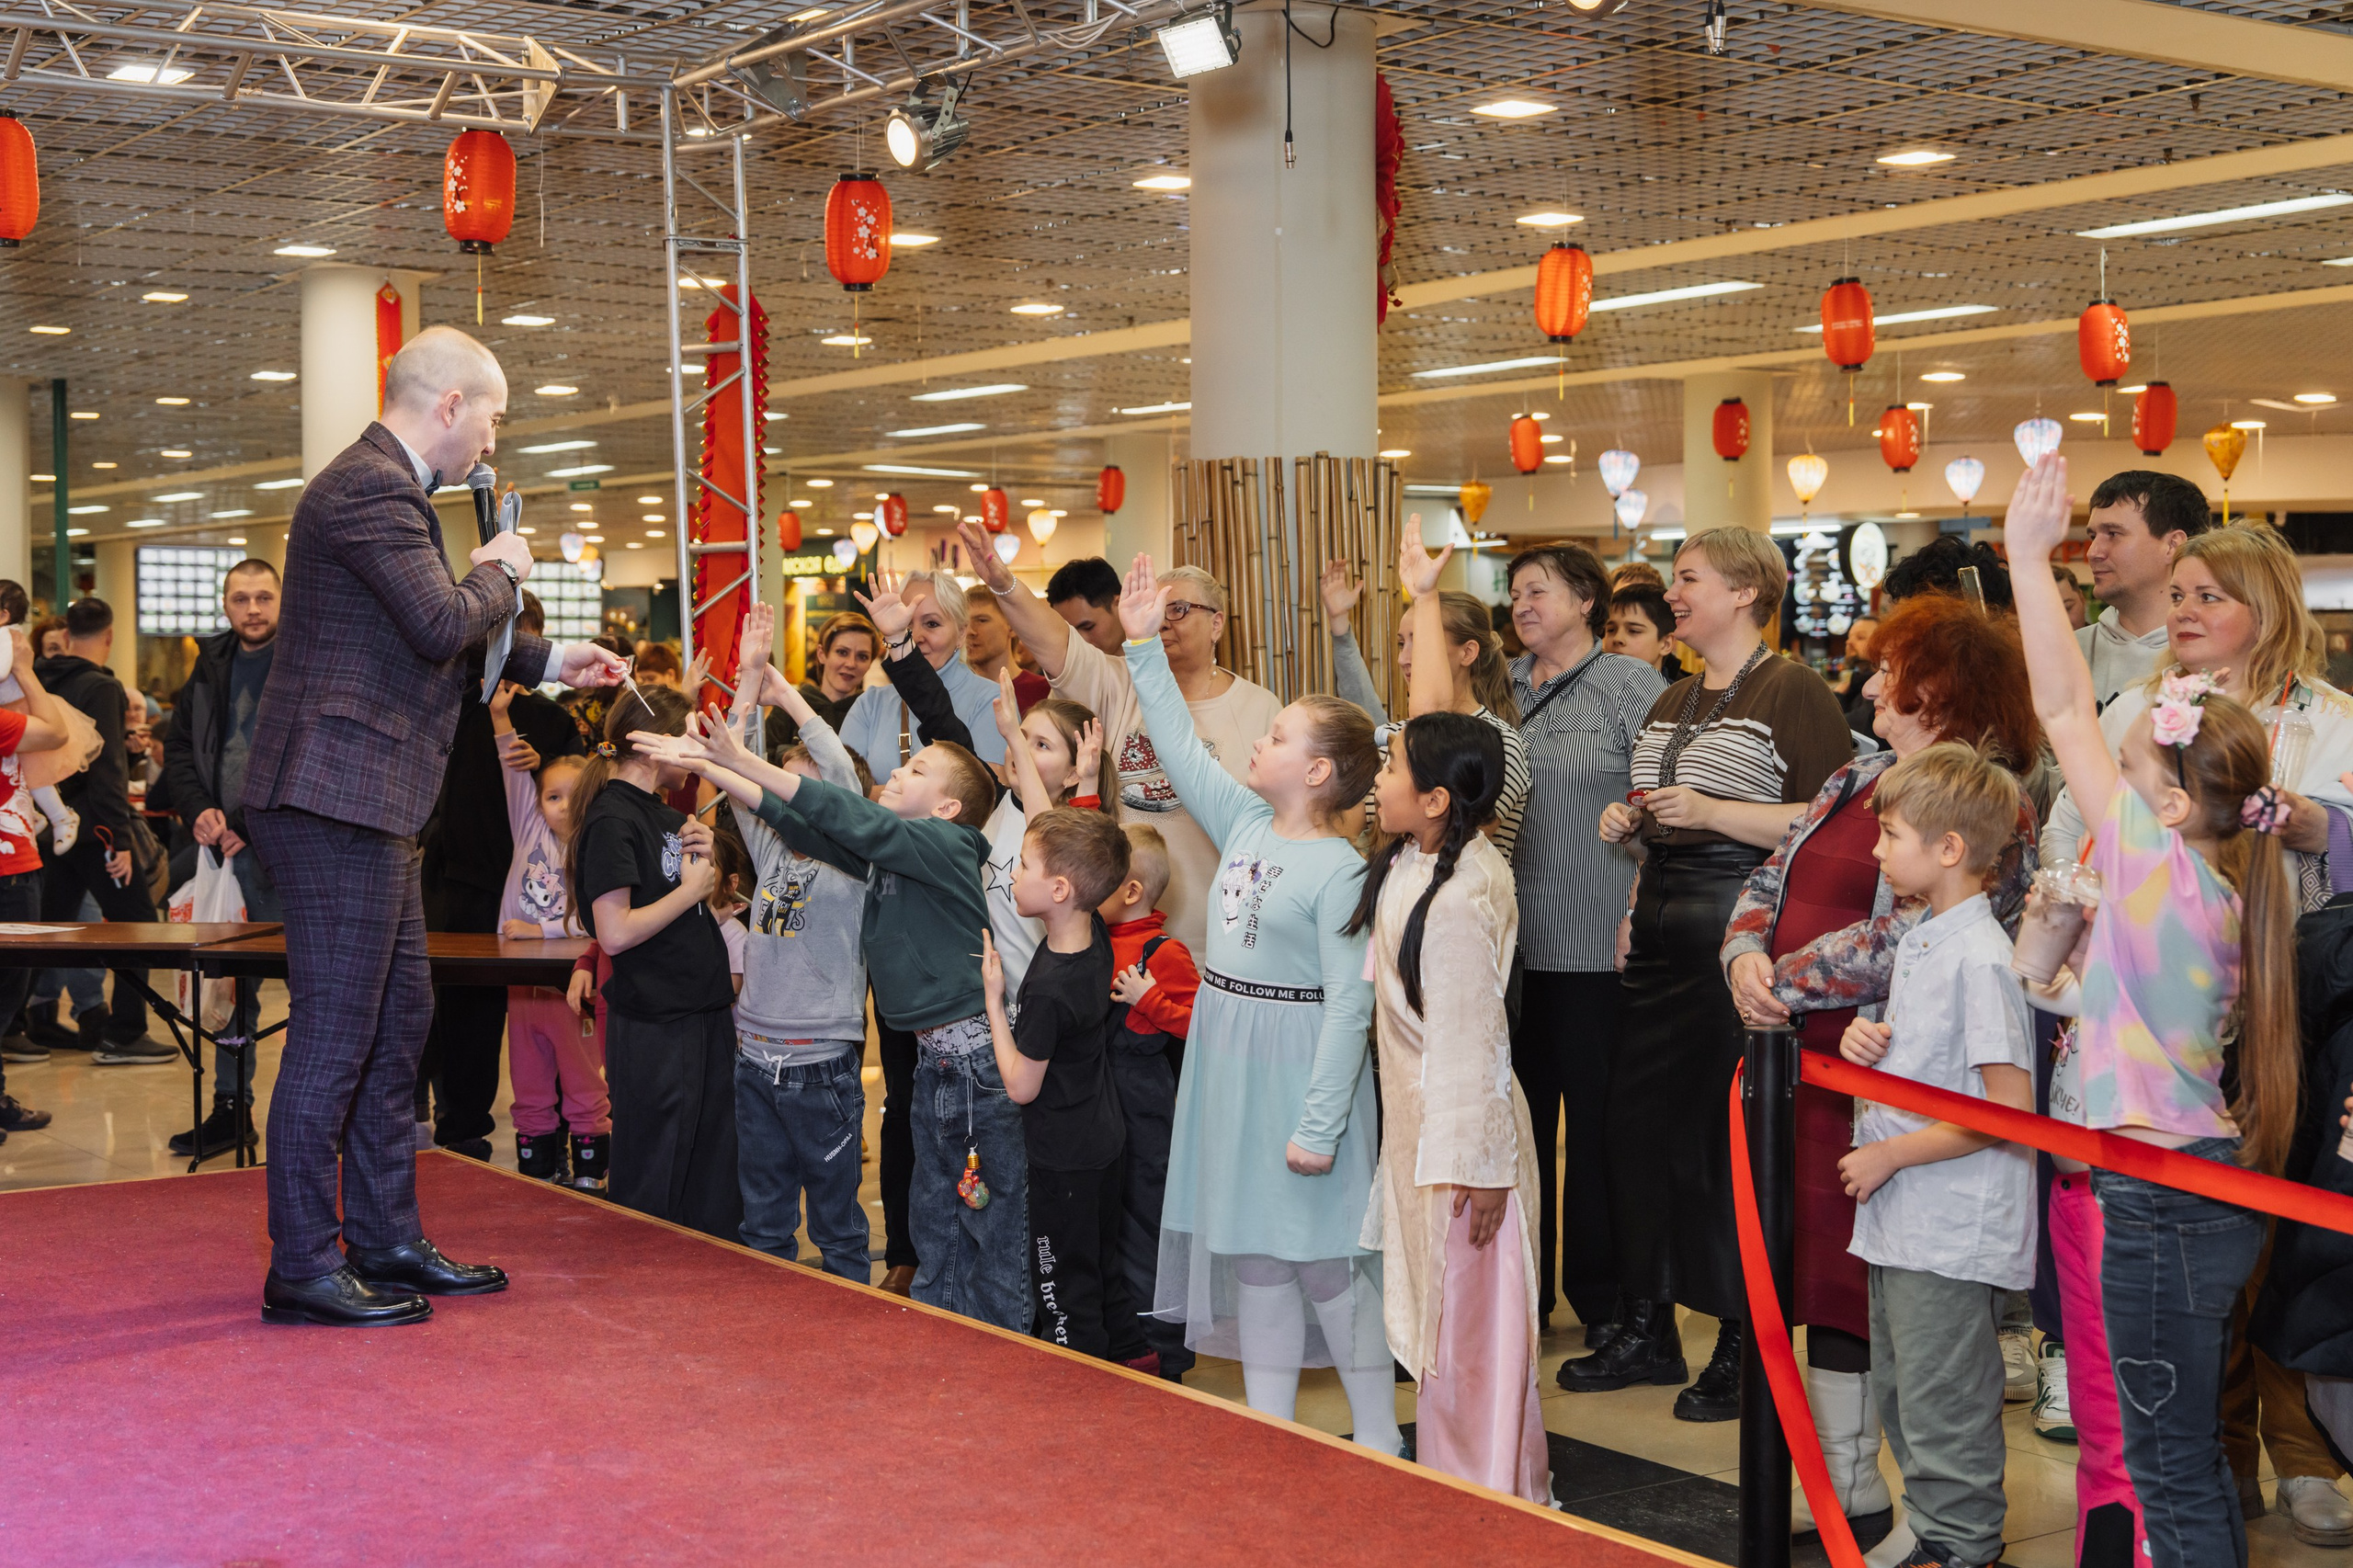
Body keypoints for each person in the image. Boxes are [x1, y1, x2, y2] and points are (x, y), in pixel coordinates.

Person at [244, 324, 624, 1328]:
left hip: (364, 797)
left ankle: (383, 1236)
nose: (493, 442)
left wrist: (551, 657)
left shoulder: (390, 491)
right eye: (492, 417)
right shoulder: (371, 487)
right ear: (449, 404)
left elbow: (429, 635)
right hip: (334, 795)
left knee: (396, 1022)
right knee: (337, 1035)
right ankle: (304, 1262)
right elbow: (442, 622)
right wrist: (504, 563)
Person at [2008, 453, 2300, 1568]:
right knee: (2186, 1465)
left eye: (2126, 774)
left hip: (2156, 1200)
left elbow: (2057, 704)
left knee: (2169, 1470)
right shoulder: (2224, 889)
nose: (2109, 784)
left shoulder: (2161, 869)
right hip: (2186, 1187)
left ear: (2171, 803)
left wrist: (2032, 561)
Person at [1719, 590, 2040, 1545]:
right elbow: (1767, 878)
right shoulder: (1854, 776)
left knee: (1923, 1340)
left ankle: (1944, 1522)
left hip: (1902, 1086)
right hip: (1830, 1067)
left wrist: (1781, 976)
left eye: (1887, 670)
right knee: (1846, 1288)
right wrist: (1741, 955)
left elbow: (1895, 939)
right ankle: (1855, 1482)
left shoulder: (1985, 805)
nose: (1866, 684)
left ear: (1936, 690)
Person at [1114, 553, 1399, 1456]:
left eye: (1276, 737)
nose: (1257, 742)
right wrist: (1139, 648)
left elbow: (1349, 1011)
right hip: (1230, 1059)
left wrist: (1319, 1124)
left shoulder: (1341, 866)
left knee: (1325, 1263)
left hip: (1298, 1065)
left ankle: (1381, 1432)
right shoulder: (1239, 821)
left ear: (1316, 771)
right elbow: (1170, 738)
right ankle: (1276, 1436)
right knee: (1261, 1258)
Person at [1567, 528, 1852, 1419]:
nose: (1672, 594)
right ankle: (1647, 1322)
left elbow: (1832, 814)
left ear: (1740, 591)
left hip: (1737, 929)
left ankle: (1741, 1336)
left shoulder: (1794, 689)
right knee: (1636, 1133)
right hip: (1656, 924)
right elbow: (1661, 809)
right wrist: (1631, 824)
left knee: (1720, 1143)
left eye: (1687, 579)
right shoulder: (1671, 697)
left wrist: (1717, 810)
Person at [650, 699, 1019, 1330]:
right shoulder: (892, 854)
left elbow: (844, 813)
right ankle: (947, 1327)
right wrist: (721, 764)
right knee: (933, 1207)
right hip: (936, 1056)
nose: (900, 769)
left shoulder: (947, 844)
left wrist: (741, 756)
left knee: (986, 1206)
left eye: (918, 768)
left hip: (977, 1059)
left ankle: (1005, 1333)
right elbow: (803, 828)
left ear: (947, 807)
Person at [1831, 743, 2037, 1568]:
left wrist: (1892, 1157)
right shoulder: (1925, 936)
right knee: (1905, 1385)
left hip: (1949, 1221)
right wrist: (1866, 1042)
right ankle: (1931, 1523)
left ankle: (1962, 1543)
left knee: (1944, 1393)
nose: (1876, 851)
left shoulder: (1983, 957)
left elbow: (2009, 1109)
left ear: (1949, 849)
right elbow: (1930, 1061)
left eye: (1890, 835)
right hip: (1906, 1217)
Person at [1354, 712, 1548, 1504]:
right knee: (1450, 1330)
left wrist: (1482, 1171)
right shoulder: (1416, 858)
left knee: (1472, 1333)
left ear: (1435, 798)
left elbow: (1474, 1040)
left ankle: (1487, 1494)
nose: (1378, 777)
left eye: (1392, 767)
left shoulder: (1463, 892)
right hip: (1425, 1131)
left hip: (1464, 1148)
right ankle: (1458, 1481)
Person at [951, 519, 1282, 953]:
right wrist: (1003, 583)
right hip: (1122, 936)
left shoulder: (1261, 708)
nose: (1161, 621)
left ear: (1217, 623)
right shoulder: (1118, 683)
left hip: (1226, 936)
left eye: (1177, 609)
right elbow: (1055, 642)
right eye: (1151, 607)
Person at [1505, 540, 1666, 1342]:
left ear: (1584, 602)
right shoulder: (1499, 688)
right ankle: (1521, 1294)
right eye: (1515, 595)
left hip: (1600, 947)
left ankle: (1607, 1304)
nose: (1523, 605)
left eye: (1538, 591)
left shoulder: (1630, 685)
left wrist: (1638, 842)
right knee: (1521, 1131)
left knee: (1599, 1131)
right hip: (1510, 951)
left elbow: (1666, 798)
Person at [722, 604, 874, 1283]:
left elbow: (840, 781)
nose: (789, 792)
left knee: (838, 1229)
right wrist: (748, 683)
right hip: (754, 1056)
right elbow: (735, 774)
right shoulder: (769, 843)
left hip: (821, 1060)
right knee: (763, 1223)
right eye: (786, 775)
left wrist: (789, 697)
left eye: (800, 777)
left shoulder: (854, 852)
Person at [417, 588, 585, 1159]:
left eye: (527, 640)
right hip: (458, 882)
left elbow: (576, 806)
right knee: (462, 1016)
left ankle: (557, 1132)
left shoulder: (554, 721)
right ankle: (461, 1134)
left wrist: (547, 774)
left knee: (552, 1016)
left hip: (539, 897)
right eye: (505, 639)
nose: (517, 652)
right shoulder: (448, 707)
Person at [566, 683, 738, 1237]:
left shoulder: (658, 812)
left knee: (706, 1166)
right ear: (650, 745)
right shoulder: (614, 819)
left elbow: (670, 897)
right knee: (657, 1171)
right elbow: (614, 932)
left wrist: (702, 865)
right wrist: (691, 892)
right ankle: (648, 1289)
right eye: (687, 738)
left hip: (698, 1010)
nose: (697, 752)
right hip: (659, 1023)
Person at [982, 809, 1150, 1365]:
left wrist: (994, 1002)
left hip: (1063, 1159)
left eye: (1023, 864)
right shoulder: (1093, 930)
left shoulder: (1051, 991)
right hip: (1102, 1140)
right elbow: (1049, 820)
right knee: (1101, 1265)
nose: (1011, 874)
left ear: (1059, 888)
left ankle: (1076, 1384)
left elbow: (1021, 1086)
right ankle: (1133, 1358)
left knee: (1061, 1286)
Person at [161, 559, 284, 1155]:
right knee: (230, 994)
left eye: (264, 597)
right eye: (242, 598)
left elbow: (311, 754)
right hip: (220, 856)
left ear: (282, 601)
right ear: (227, 604)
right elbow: (179, 748)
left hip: (286, 855)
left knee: (313, 991)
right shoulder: (210, 663)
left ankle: (318, 1116)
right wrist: (199, 810)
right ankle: (231, 1111)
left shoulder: (303, 660)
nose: (253, 609)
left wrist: (245, 822)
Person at [1321, 542, 1529, 860]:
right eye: (1402, 643)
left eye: (1419, 642)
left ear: (1468, 652)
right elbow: (1347, 825)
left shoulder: (1500, 744)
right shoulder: (1395, 736)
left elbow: (1451, 843)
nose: (1405, 659)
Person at [34, 597, 173, 1065]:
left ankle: (17, 1024)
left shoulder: (40, 677)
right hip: (96, 830)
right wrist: (121, 838)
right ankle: (125, 1033)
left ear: (67, 633)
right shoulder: (101, 686)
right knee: (138, 925)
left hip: (51, 825)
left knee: (47, 928)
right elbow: (107, 770)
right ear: (110, 637)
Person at [489, 680, 608, 1192]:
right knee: (530, 1082)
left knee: (584, 1082)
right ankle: (536, 1172)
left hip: (576, 983)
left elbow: (601, 920)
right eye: (551, 797)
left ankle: (590, 1177)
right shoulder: (528, 826)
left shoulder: (600, 845)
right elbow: (512, 770)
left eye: (572, 797)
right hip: (523, 982)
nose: (560, 806)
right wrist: (499, 717)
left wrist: (542, 928)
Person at [1099, 821, 1199, 1380]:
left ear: (1131, 890)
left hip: (1147, 1106)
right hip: (1102, 1101)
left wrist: (1152, 1001)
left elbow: (1206, 1025)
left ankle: (1164, 1347)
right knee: (1112, 1221)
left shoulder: (1166, 952)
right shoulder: (1093, 937)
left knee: (1150, 1222)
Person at [0, 629, 73, 1136]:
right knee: (6, 995)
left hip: (15, 865)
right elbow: (55, 732)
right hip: (8, 873)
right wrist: (25, 667)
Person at [836, 569, 1007, 776]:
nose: (916, 636)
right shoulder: (871, 704)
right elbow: (840, 790)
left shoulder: (991, 701)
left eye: (932, 624)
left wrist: (870, 793)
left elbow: (985, 794)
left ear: (961, 633)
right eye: (905, 625)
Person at [2078, 470, 2211, 710]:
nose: (2093, 552)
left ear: (2172, 545)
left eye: (2113, 534)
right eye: (2093, 536)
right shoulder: (2069, 652)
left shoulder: (2214, 654)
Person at [764, 610, 877, 761]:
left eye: (862, 656)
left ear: (870, 663)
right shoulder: (790, 704)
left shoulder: (873, 712)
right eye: (842, 652)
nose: (851, 664)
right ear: (822, 654)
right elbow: (764, 760)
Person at [963, 593, 1048, 713]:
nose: (969, 631)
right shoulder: (952, 691)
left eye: (981, 620)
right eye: (964, 623)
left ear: (1012, 627)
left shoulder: (1043, 691)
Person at [1045, 556, 1127, 656]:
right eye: (1069, 634)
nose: (1081, 641)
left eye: (1088, 627)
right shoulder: (1067, 668)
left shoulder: (1148, 661)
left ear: (1119, 604)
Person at [1604, 583, 1683, 679]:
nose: (1617, 638)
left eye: (1633, 631)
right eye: (1611, 630)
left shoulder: (1680, 693)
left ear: (1666, 644)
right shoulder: (1589, 690)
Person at [2052, 564, 2090, 631]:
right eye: (2049, 614)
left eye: (2067, 608)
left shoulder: (2105, 641)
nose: (2061, 621)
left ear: (2082, 599)